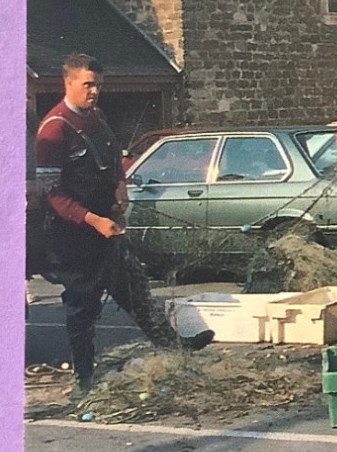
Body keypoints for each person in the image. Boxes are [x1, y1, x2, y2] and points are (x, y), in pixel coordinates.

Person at [34, 53, 211, 390]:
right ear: (68, 83)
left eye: (98, 85)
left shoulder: (97, 117)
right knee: (82, 305)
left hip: (107, 226)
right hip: (73, 235)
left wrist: (120, 185)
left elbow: (114, 155)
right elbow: (50, 194)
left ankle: (176, 348)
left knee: (135, 288)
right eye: (88, 84)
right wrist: (92, 220)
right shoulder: (55, 128)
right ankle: (84, 378)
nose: (95, 91)